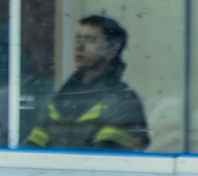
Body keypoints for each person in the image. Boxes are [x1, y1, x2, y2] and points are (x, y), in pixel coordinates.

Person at [26, 14, 148, 151]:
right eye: (78, 39)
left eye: (90, 40)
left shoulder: (123, 102)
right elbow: (32, 149)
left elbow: (105, 157)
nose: (79, 47)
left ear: (112, 51)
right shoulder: (60, 98)